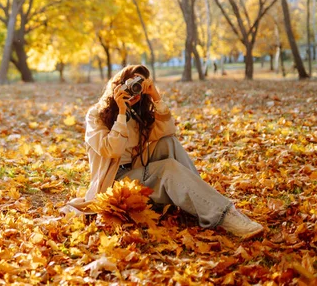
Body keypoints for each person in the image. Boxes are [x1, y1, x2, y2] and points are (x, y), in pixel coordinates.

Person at [62, 64, 263, 239]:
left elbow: (168, 131)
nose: (135, 93)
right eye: (130, 85)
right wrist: (121, 113)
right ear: (119, 85)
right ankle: (222, 214)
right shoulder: (96, 114)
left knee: (168, 142)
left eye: (138, 87)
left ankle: (205, 202)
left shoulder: (138, 112)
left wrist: (155, 96)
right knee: (168, 168)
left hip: (136, 172)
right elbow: (111, 150)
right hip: (113, 184)